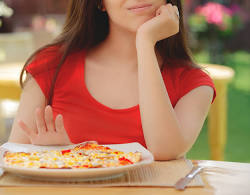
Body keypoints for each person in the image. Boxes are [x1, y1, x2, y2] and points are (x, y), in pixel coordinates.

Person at [8, 0, 216, 161]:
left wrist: (144, 43)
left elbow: (164, 152)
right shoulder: (50, 65)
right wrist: (57, 158)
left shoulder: (193, 84)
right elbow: (13, 160)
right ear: (100, 2)